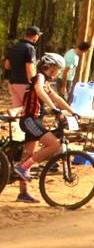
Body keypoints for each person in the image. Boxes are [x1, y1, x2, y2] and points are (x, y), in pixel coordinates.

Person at [12, 52, 73, 203]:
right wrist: (54, 109)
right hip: (30, 120)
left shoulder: (45, 82)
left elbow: (56, 98)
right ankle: (21, 168)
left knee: (28, 155)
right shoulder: (39, 77)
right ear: (51, 67)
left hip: (34, 120)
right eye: (58, 69)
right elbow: (39, 90)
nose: (59, 72)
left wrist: (73, 112)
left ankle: (23, 193)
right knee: (54, 144)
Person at [5, 26, 41, 109]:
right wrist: (33, 84)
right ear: (35, 36)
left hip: (12, 83)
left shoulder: (14, 46)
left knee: (17, 109)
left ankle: (12, 118)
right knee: (28, 109)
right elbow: (30, 69)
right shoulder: (30, 48)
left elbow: (7, 66)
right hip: (24, 84)